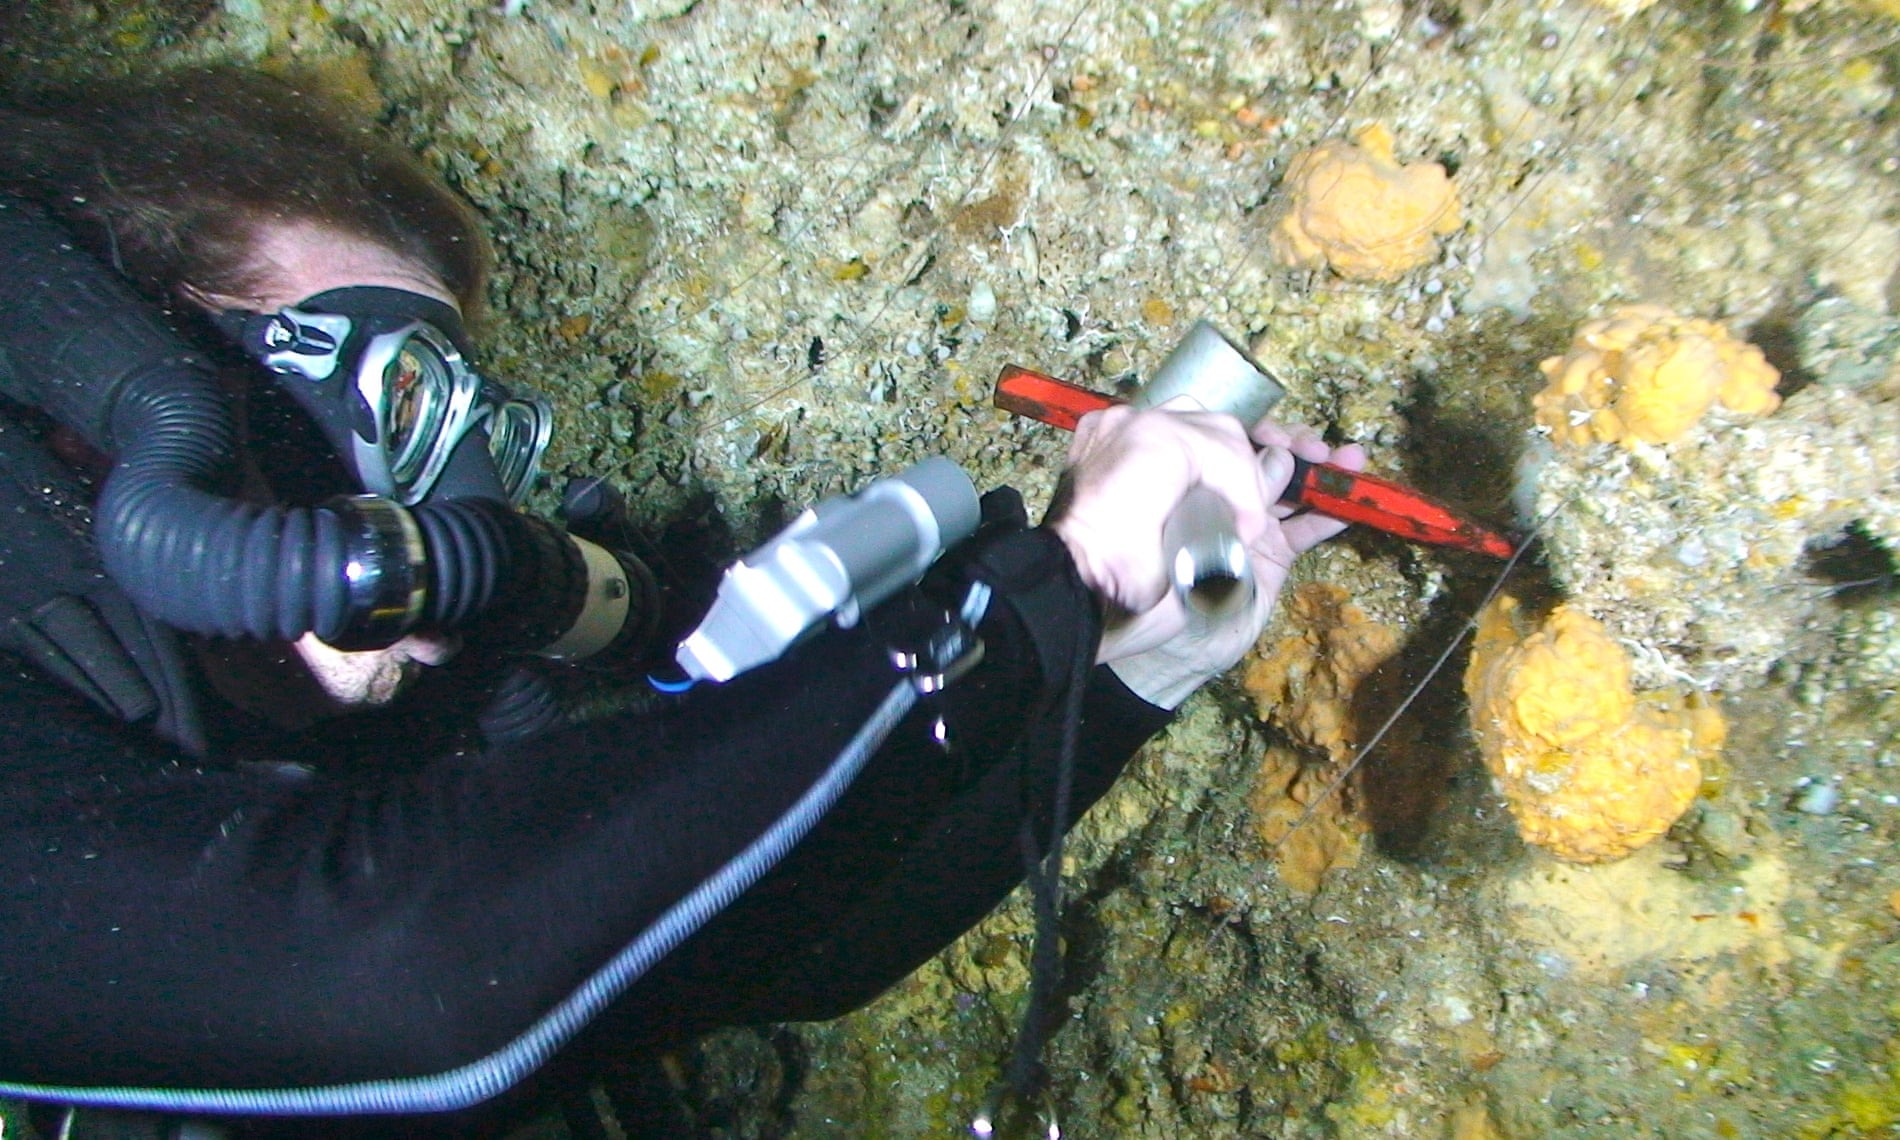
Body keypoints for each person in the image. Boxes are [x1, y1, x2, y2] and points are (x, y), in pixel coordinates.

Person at [0, 67, 1365, 1138]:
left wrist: (1134, 659)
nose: (447, 505)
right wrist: (1048, 586)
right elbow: (401, 980)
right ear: (104, 403)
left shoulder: (349, 733)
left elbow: (795, 954)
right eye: (394, 392)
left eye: (469, 420)